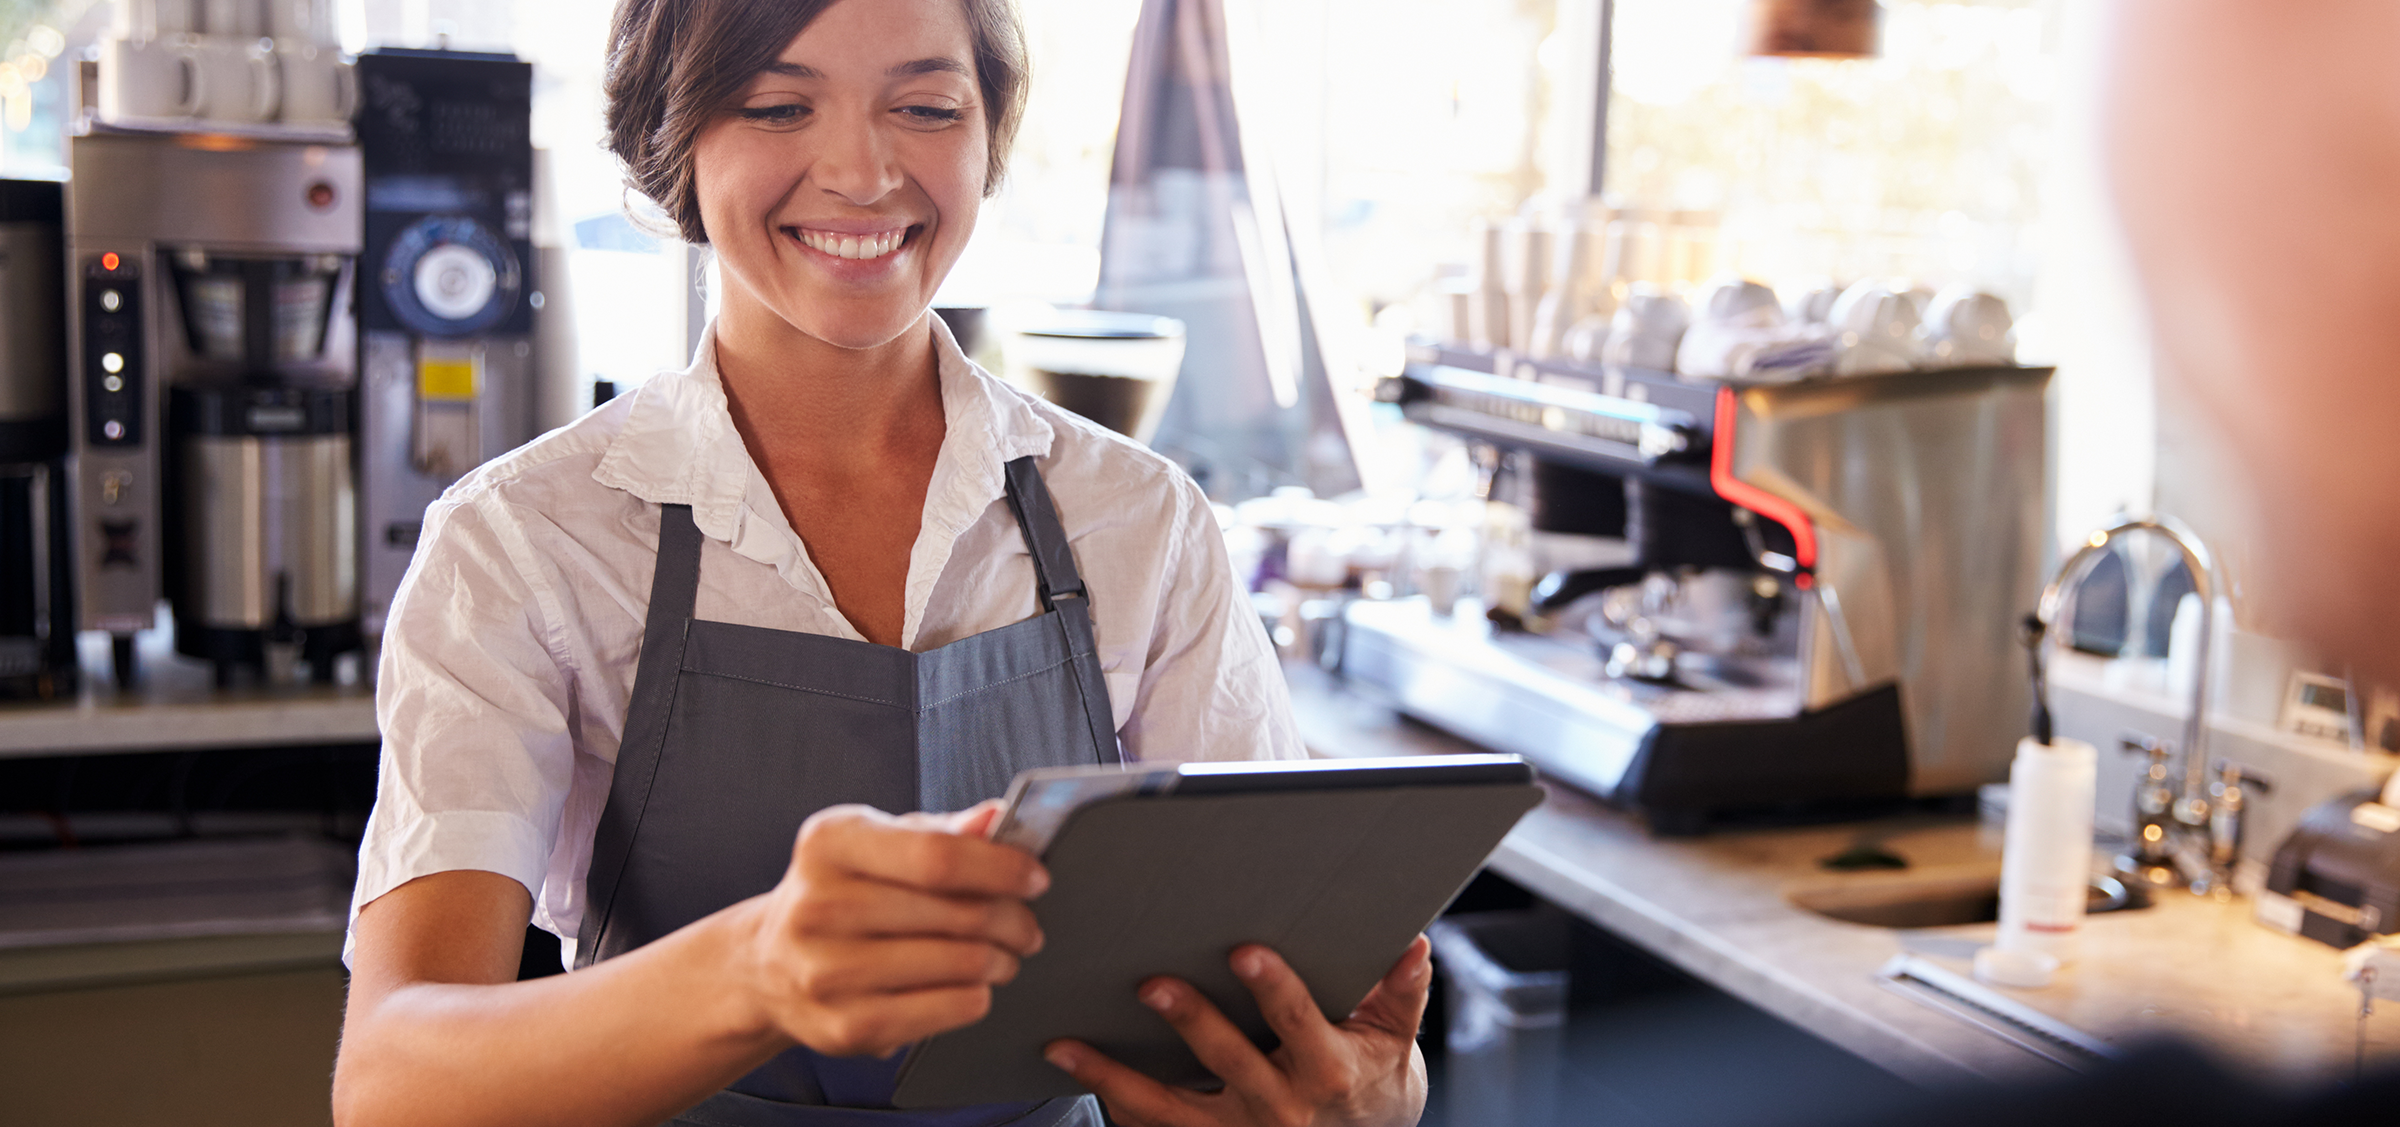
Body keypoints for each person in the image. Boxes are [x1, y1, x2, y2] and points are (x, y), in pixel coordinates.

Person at [329, 1, 1431, 1125]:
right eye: (777, 104)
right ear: (675, 135)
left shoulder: (1141, 523)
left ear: (988, 133)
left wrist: (1350, 1094)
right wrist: (755, 968)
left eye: (926, 106)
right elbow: (393, 1083)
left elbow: (1254, 1005)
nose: (863, 171)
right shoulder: (521, 541)